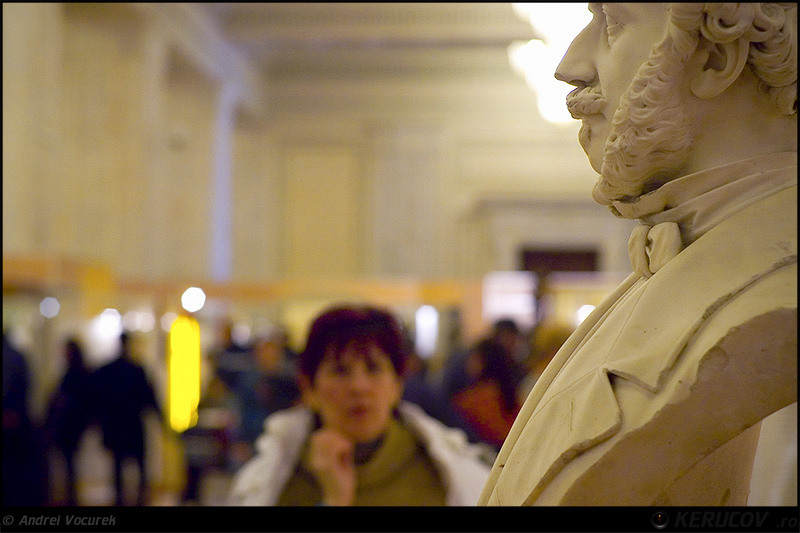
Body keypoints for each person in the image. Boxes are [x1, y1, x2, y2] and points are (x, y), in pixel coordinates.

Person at [479, 3, 796, 506]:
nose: (569, 66)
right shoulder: (668, 268)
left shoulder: (774, 301)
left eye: (612, 22)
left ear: (715, 59)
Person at [228, 305, 491, 506]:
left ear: (397, 385)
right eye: (340, 371)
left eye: (373, 368)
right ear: (309, 387)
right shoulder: (272, 483)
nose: (358, 387)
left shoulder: (444, 474)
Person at [90, 332, 163, 506]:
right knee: (138, 465)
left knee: (119, 466)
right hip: (132, 425)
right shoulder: (136, 370)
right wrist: (162, 420)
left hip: (117, 426)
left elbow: (97, 399)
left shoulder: (110, 370)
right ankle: (139, 499)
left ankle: (121, 500)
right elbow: (149, 398)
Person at [45, 337, 92, 506]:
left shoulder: (73, 374)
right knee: (69, 462)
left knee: (69, 462)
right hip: (72, 424)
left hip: (69, 425)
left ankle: (71, 497)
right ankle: (71, 496)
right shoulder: (79, 372)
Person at [452, 339, 522, 451]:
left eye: (474, 358)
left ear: (484, 361)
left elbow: (499, 435)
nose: (469, 362)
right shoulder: (509, 392)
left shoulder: (477, 398)